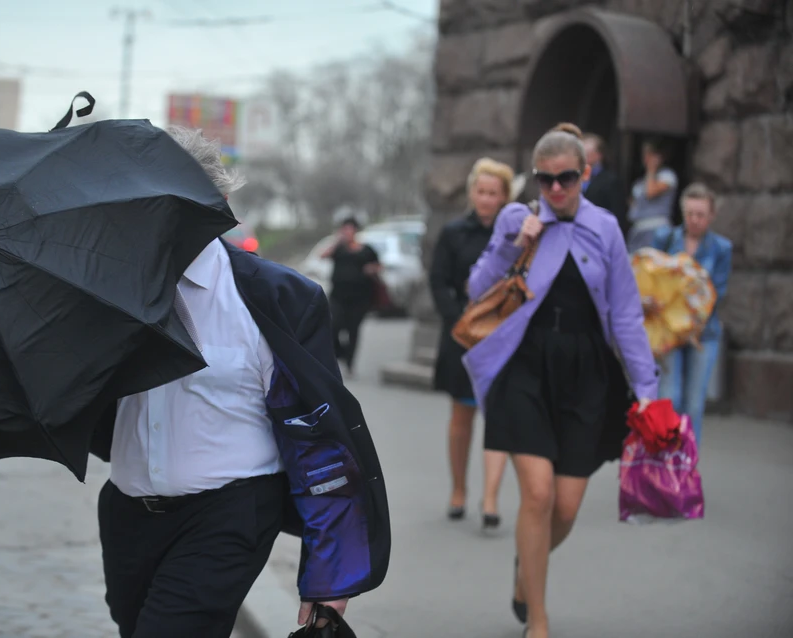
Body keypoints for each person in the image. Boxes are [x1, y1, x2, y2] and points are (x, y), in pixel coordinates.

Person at [88, 126, 391, 638]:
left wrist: (330, 573)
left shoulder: (276, 299)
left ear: (220, 202)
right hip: (127, 513)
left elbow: (321, 439)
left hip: (229, 513)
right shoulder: (106, 290)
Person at [464, 123, 657, 638]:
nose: (554, 189)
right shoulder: (517, 217)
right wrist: (510, 245)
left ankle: (526, 563)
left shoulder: (607, 228)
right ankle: (539, 622)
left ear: (585, 174)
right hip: (525, 366)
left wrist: (649, 391)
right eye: (544, 179)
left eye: (565, 178)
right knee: (539, 495)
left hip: (585, 371)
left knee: (566, 508)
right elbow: (476, 286)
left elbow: (626, 316)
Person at [429, 157, 513, 529]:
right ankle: (459, 489)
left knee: (498, 416)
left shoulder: (514, 236)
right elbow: (438, 281)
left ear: (504, 197)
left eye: (493, 193)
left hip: (503, 336)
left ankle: (491, 498)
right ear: (471, 194)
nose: (486, 198)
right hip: (462, 336)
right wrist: (457, 318)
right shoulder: (453, 233)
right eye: (481, 191)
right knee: (461, 416)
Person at [652, 183, 732, 448]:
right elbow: (652, 281)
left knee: (693, 404)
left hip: (702, 334)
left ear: (711, 217)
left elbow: (715, 292)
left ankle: (686, 461)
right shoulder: (665, 239)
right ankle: (664, 457)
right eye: (690, 214)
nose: (694, 220)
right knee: (669, 397)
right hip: (670, 333)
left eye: (700, 214)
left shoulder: (721, 248)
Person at [320, 217, 381, 376]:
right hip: (338, 296)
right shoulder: (338, 249)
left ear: (355, 231)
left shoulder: (366, 250)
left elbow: (378, 266)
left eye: (349, 229)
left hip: (360, 297)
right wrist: (337, 241)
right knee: (333, 326)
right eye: (344, 229)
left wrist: (371, 269)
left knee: (353, 330)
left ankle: (350, 363)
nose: (346, 232)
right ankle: (340, 353)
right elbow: (323, 255)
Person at [626, 137, 678, 253]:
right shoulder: (640, 182)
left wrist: (651, 169)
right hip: (638, 229)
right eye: (645, 154)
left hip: (656, 228)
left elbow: (650, 192)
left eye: (650, 154)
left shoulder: (668, 176)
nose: (647, 158)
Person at [581, 134, 626, 232]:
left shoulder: (610, 180)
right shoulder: (575, 177)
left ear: (599, 155)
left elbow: (617, 212)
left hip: (599, 231)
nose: (584, 157)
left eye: (588, 153)